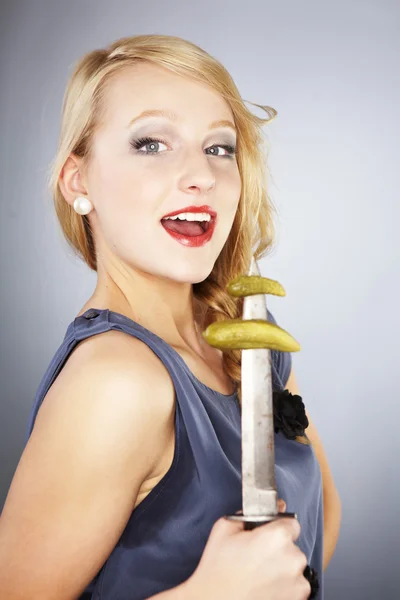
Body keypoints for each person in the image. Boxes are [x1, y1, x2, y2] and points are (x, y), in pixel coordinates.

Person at [0, 34, 336, 599]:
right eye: (152, 143)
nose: (201, 175)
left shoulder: (247, 332)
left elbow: (318, 526)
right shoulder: (116, 381)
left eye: (219, 147)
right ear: (78, 181)